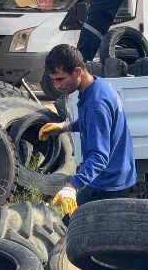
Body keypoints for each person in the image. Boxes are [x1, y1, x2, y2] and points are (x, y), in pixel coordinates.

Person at [38, 44, 136, 217]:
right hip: (118, 175)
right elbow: (95, 124)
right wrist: (66, 127)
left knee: (69, 225)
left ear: (77, 72)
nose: (57, 86)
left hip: (108, 184)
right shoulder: (99, 85)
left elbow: (99, 157)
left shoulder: (96, 104)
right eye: (53, 80)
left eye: (60, 79)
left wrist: (71, 186)